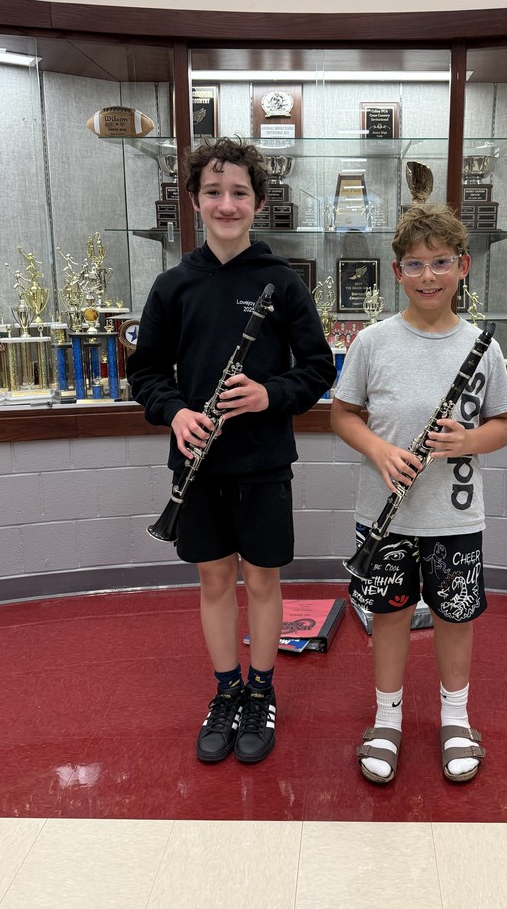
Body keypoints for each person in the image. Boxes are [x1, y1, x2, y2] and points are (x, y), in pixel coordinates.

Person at [127, 137, 335, 766]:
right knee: (214, 579)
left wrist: (268, 395)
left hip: (263, 459)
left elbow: (320, 368)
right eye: (213, 192)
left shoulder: (281, 282)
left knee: (264, 580)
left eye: (239, 192)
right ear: (194, 201)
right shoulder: (173, 285)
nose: (226, 203)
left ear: (259, 203)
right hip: (196, 462)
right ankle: (226, 690)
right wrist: (177, 412)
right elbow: (146, 375)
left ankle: (262, 690)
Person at [330, 204, 507, 784]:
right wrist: (380, 451)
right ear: (396, 271)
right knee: (387, 616)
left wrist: (467, 440)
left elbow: (505, 425)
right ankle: (386, 720)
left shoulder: (482, 347)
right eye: (415, 264)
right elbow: (343, 414)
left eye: (441, 263)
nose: (429, 276)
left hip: (454, 515)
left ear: (462, 267)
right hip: (384, 517)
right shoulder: (373, 342)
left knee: (454, 618)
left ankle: (455, 720)